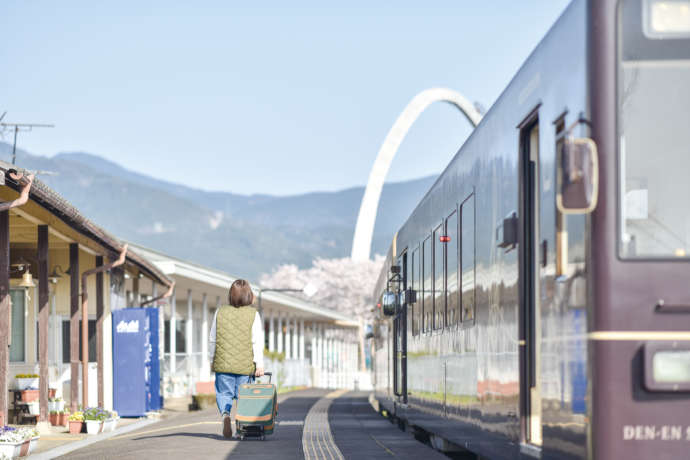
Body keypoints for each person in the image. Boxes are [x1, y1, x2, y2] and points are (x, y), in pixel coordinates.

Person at [208, 279, 265, 438]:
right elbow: (257, 341)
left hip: (223, 365)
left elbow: (213, 338)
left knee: (224, 394)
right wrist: (259, 364)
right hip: (245, 366)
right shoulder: (253, 314)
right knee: (243, 397)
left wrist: (212, 359)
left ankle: (226, 415)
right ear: (249, 295)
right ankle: (242, 428)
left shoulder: (220, 312)